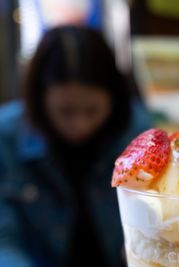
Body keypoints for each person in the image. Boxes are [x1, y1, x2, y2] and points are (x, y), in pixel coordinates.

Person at [0, 26, 151, 267]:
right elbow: (3, 242)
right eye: (66, 111)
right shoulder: (5, 136)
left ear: (114, 99)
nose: (79, 125)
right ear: (39, 100)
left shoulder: (137, 134)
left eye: (92, 111)